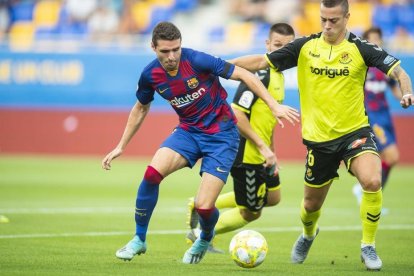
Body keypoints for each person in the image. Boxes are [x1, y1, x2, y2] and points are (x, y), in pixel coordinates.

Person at [229, 0, 414, 271]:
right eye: (323, 19)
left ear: (347, 17)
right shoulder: (305, 46)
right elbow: (260, 61)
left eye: (334, 21)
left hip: (355, 132)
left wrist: (407, 91)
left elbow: (398, 71)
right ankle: (308, 234)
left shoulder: (361, 49)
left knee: (373, 181)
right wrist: (217, 66)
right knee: (310, 205)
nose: (327, 26)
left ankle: (368, 246)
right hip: (319, 142)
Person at [101, 21, 299, 265]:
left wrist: (273, 105)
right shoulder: (150, 75)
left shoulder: (197, 60)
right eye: (165, 51)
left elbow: (244, 74)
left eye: (176, 49)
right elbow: (141, 107)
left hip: (223, 136)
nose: (172, 56)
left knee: (205, 207)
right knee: (151, 175)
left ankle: (205, 237)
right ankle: (139, 239)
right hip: (188, 131)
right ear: (153, 47)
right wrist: (121, 145)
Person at [186, 23, 295, 252]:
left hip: (262, 151)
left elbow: (267, 119)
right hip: (246, 153)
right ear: (267, 45)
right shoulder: (260, 75)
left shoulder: (279, 75)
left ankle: (200, 205)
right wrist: (262, 147)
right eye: (277, 46)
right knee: (250, 212)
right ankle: (199, 235)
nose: (282, 52)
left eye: (288, 47)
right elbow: (237, 114)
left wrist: (271, 150)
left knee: (273, 198)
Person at [352, 27, 402, 207]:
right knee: (391, 156)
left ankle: (370, 193)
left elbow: (395, 89)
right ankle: (369, 191)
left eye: (377, 40)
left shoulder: (384, 67)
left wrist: (405, 96)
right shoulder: (361, 65)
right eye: (371, 40)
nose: (375, 43)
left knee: (386, 158)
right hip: (370, 116)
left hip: (385, 116)